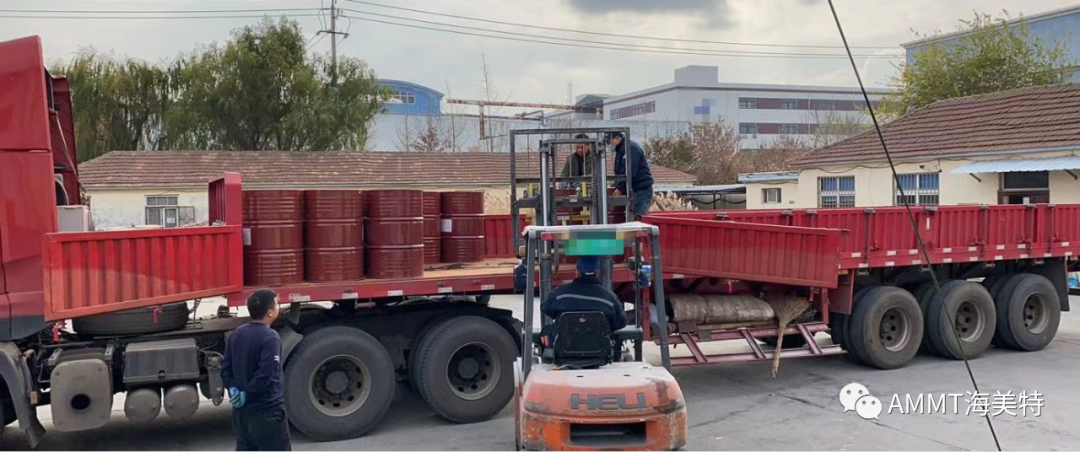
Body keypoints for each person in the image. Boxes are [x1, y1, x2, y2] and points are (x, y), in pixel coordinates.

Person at [222, 288, 291, 451]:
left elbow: (225, 368)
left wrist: (233, 388)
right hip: (267, 411)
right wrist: (248, 394)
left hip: (241, 415)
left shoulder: (237, 334)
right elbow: (266, 374)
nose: (278, 307)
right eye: (277, 304)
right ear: (270, 312)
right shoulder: (270, 337)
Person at [542, 255, 628, 344]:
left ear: (577, 271)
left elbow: (546, 308)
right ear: (598, 272)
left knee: (546, 332)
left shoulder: (560, 294)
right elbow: (621, 322)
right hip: (598, 349)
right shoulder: (609, 299)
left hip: (564, 348)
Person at [608, 132, 654, 218]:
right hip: (635, 189)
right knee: (632, 217)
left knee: (637, 218)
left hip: (640, 190)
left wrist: (619, 188)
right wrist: (616, 185)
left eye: (611, 142)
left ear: (617, 138)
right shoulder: (622, 149)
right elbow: (622, 172)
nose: (611, 145)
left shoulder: (631, 149)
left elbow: (629, 172)